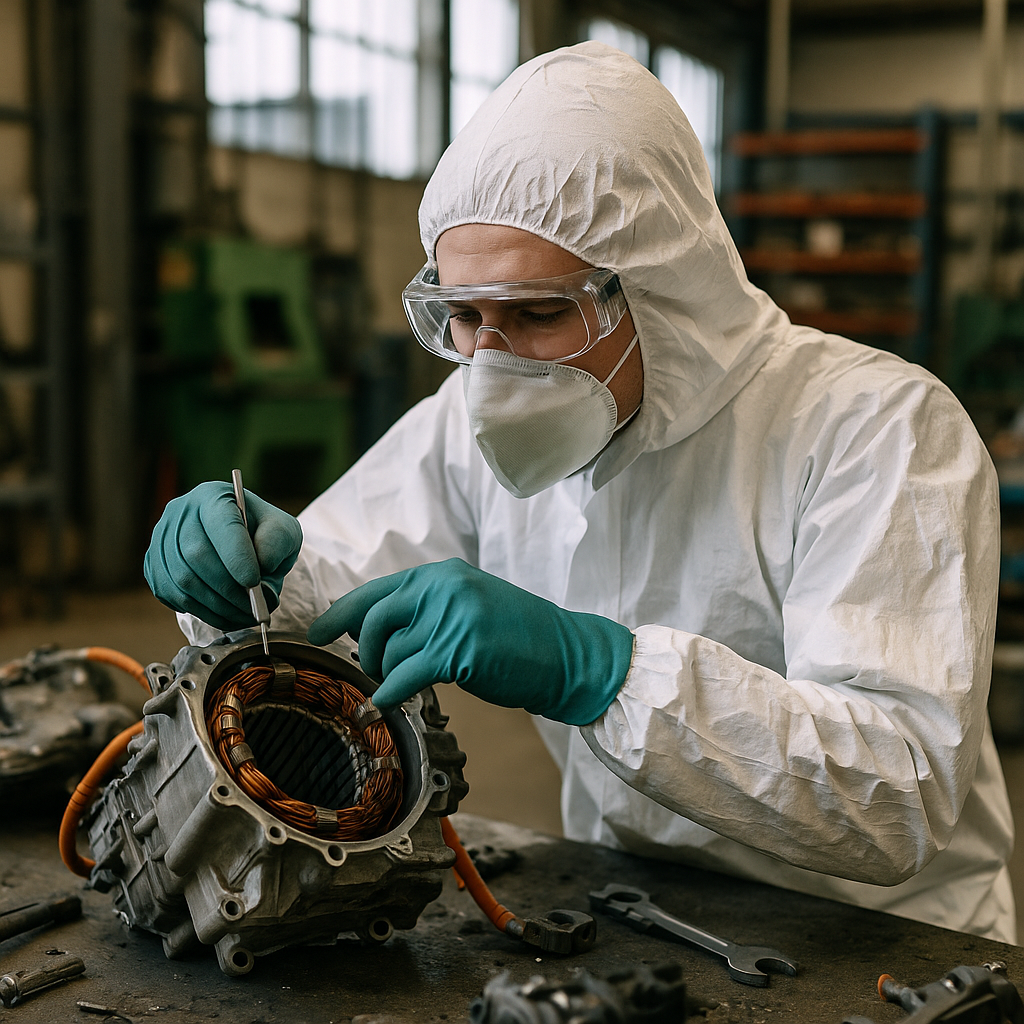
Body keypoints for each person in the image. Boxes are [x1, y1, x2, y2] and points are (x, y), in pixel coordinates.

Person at [145, 42, 1015, 942]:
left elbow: (897, 796)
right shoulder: (463, 421)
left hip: (882, 944)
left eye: (538, 313)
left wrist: (599, 672)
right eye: (464, 315)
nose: (492, 364)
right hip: (636, 910)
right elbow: (325, 605)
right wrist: (248, 574)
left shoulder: (876, 428)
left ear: (661, 292)